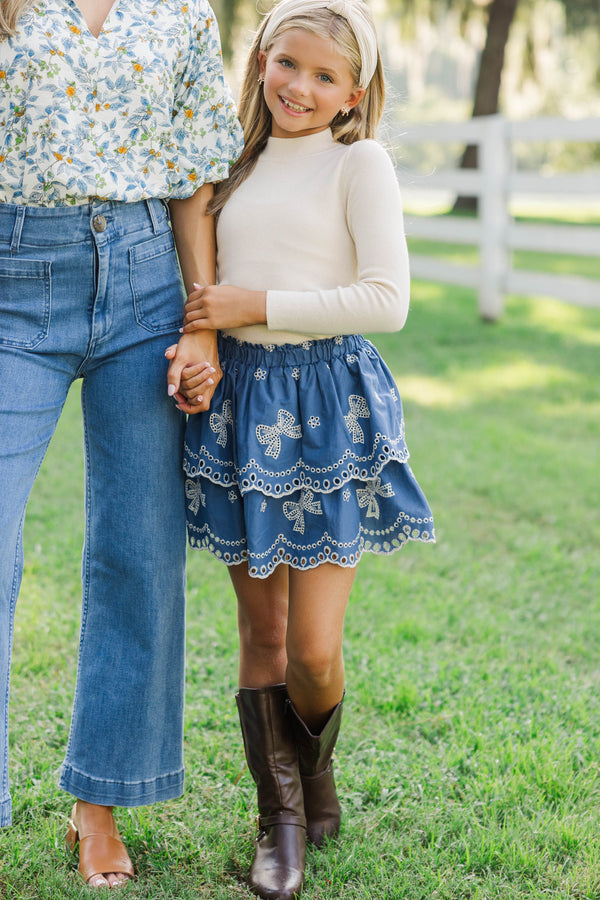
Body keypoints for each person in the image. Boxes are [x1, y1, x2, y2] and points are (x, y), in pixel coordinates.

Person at [174, 0, 435, 896]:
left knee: (316, 652)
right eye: (289, 64)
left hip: (327, 408)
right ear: (259, 59)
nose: (301, 87)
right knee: (264, 634)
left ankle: (315, 774)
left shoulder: (358, 164)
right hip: (245, 411)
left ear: (352, 93)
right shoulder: (230, 168)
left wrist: (261, 303)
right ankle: (278, 821)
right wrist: (204, 340)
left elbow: (385, 301)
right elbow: (197, 285)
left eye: (325, 76)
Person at [0, 0, 242, 888]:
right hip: (14, 271)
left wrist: (203, 320)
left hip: (145, 280)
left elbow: (191, 175)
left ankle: (97, 804)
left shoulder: (181, 10)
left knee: (140, 550)